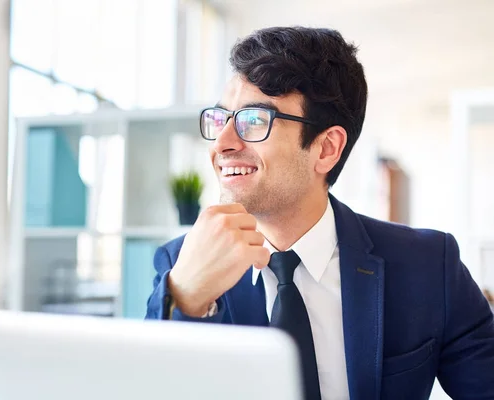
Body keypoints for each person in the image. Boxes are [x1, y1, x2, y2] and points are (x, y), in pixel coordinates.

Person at [145, 26, 494, 399]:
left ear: (327, 148)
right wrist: (183, 297)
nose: (223, 144)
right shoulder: (178, 264)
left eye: (253, 121)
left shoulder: (427, 265)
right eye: (221, 119)